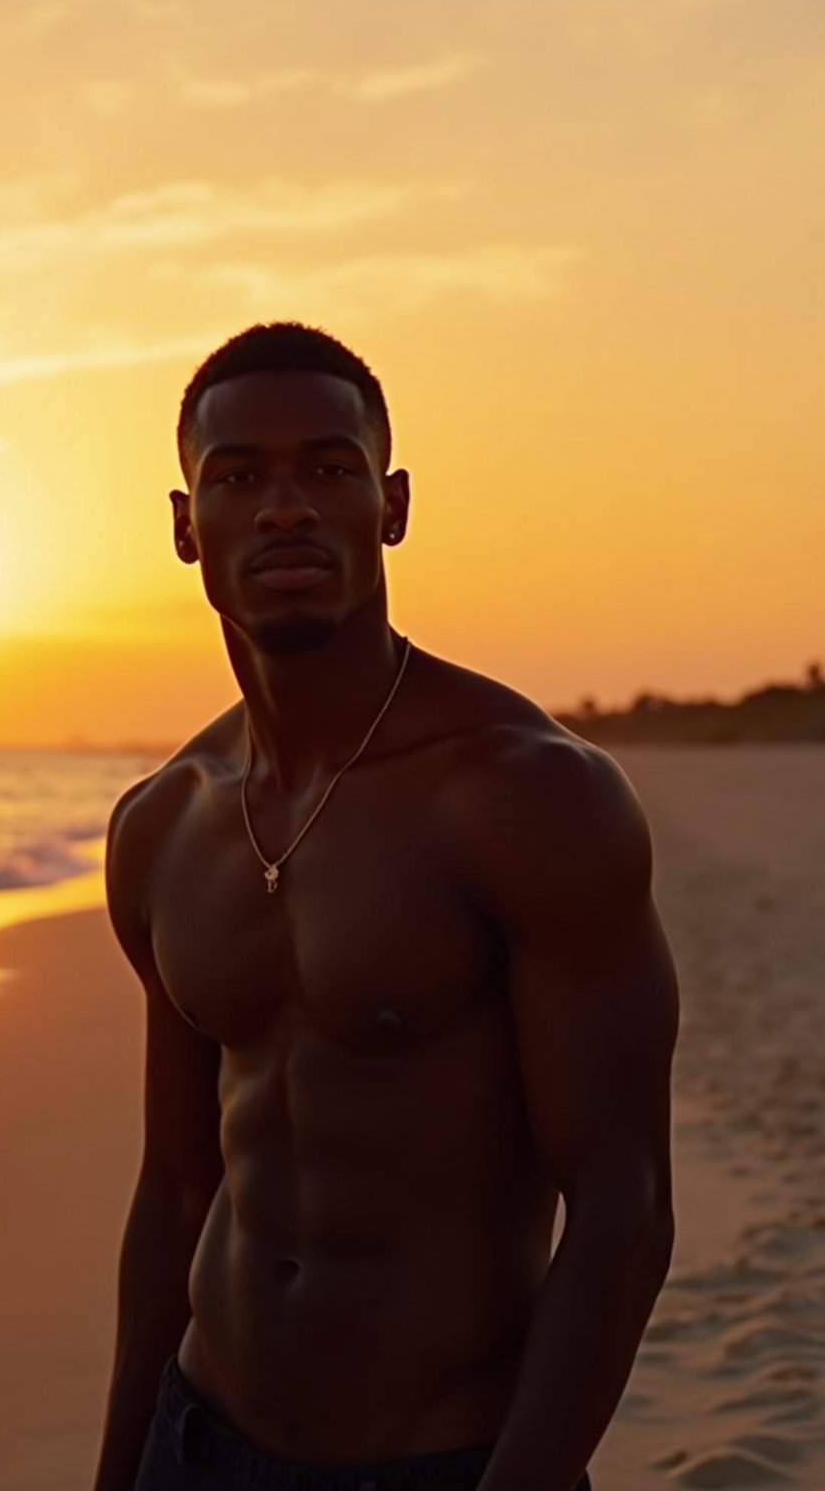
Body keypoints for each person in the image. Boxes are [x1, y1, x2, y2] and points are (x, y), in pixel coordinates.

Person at [92, 323, 679, 1491]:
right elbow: (174, 1189)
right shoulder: (162, 825)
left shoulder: (525, 795)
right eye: (239, 476)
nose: (285, 508)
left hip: (447, 1461)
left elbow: (622, 1204)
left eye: (327, 467)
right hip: (198, 1441)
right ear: (182, 524)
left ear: (391, 503)